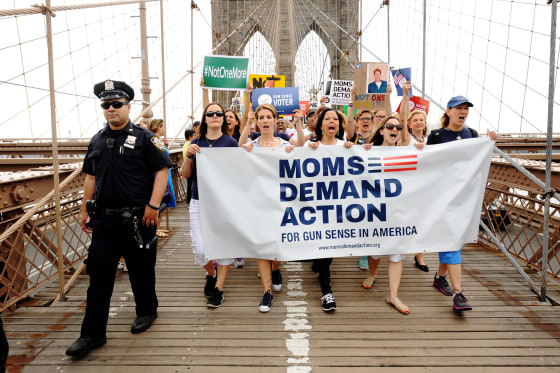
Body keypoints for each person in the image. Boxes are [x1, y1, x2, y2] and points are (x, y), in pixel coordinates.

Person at [66, 80, 171, 358]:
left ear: (128, 106)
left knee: (141, 272)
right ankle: (92, 334)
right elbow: (90, 177)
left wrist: (153, 205)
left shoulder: (146, 138)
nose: (110, 109)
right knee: (99, 278)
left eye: (116, 104)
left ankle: (147, 311)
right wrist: (84, 210)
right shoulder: (97, 140)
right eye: (106, 105)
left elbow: (162, 171)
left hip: (139, 219)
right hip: (105, 223)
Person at [427, 95, 498, 312]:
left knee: (451, 241)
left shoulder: (473, 135)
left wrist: (490, 143)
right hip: (442, 198)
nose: (463, 111)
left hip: (463, 198)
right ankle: (459, 294)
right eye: (459, 108)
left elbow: (478, 165)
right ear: (448, 111)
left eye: (466, 108)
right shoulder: (437, 135)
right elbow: (426, 165)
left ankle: (440, 277)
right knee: (451, 242)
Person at [240, 104, 304, 312]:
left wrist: (298, 127)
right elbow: (238, 147)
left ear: (275, 120)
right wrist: (246, 134)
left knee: (277, 243)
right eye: (261, 117)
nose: (265, 120)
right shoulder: (252, 143)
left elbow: (302, 146)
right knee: (261, 247)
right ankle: (267, 291)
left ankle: (276, 268)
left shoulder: (284, 141)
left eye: (269, 117)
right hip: (259, 203)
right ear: (257, 121)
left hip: (281, 203)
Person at [182, 102, 238, 308]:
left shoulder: (231, 143)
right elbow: (186, 174)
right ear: (205, 119)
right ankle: (211, 274)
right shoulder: (196, 143)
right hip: (199, 199)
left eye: (219, 113)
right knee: (199, 248)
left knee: (223, 246)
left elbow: (238, 172)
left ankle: (219, 289)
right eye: (210, 113)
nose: (215, 116)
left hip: (223, 202)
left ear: (224, 118)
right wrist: (189, 156)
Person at [360, 115, 410, 315]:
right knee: (375, 250)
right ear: (381, 130)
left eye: (398, 126)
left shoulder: (407, 152)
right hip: (375, 209)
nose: (395, 129)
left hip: (397, 209)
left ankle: (393, 295)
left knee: (397, 252)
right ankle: (373, 273)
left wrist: (423, 151)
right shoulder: (368, 150)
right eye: (390, 126)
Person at [306, 108, 353, 312]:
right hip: (316, 206)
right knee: (325, 248)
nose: (332, 121)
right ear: (321, 124)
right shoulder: (310, 147)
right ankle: (327, 292)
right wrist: (295, 150)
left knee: (329, 249)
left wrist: (361, 150)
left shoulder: (347, 147)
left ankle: (318, 261)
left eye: (335, 119)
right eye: (328, 118)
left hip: (338, 207)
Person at [398, 82, 429, 272]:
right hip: (407, 185)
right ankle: (400, 249)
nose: (418, 122)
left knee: (423, 220)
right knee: (406, 219)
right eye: (415, 120)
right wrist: (405, 94)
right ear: (409, 124)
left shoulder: (431, 141)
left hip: (425, 186)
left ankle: (420, 256)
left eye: (421, 120)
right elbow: (401, 118)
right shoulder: (407, 139)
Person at [148, 119, 177, 237]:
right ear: (159, 127)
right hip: (159, 176)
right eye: (164, 126)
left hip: (164, 174)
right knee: (160, 203)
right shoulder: (153, 141)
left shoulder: (156, 141)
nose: (165, 128)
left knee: (162, 204)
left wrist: (165, 147)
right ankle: (155, 230)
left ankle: (157, 228)